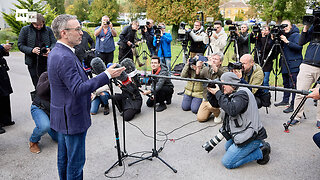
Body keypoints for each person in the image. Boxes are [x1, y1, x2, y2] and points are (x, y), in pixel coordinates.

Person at [48, 14, 125, 179]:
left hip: (64, 115)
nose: (81, 33)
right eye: (77, 29)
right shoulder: (63, 56)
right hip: (71, 117)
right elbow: (77, 88)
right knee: (75, 163)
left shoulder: (59, 51)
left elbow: (69, 86)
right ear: (64, 33)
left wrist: (87, 91)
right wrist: (106, 75)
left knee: (65, 158)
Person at [207, 72, 270, 169]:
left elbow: (232, 110)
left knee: (227, 163)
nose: (221, 87)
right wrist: (211, 92)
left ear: (232, 84)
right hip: (243, 130)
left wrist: (218, 93)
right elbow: (216, 104)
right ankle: (260, 144)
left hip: (252, 134)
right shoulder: (231, 92)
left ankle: (261, 152)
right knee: (227, 148)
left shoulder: (242, 94)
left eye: (223, 84)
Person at [289, 23, 320, 127]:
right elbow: (301, 42)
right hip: (307, 64)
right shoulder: (315, 26)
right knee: (300, 92)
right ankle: (296, 116)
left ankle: (319, 119)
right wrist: (306, 27)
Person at [18, 13, 56, 89]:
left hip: (47, 61)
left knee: (51, 84)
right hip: (33, 63)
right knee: (38, 85)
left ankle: (50, 100)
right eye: (36, 25)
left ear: (43, 23)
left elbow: (54, 42)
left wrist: (50, 49)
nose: (39, 27)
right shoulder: (25, 30)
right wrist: (32, 50)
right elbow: (20, 45)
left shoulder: (48, 30)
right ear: (32, 23)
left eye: (41, 25)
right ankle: (39, 100)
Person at [274, 20, 303, 113]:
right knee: (286, 84)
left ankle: (294, 104)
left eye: (286, 26)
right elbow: (277, 50)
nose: (285, 28)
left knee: (293, 85)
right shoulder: (283, 36)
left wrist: (287, 42)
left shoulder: (296, 35)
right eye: (283, 26)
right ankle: (285, 100)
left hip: (294, 64)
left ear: (291, 26)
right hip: (284, 64)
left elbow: (299, 47)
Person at [29, 72, 58, 153]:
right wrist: (52, 78)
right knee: (44, 126)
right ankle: (33, 141)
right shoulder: (45, 75)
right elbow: (40, 91)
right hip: (40, 108)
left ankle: (49, 125)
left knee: (60, 139)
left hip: (54, 113)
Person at [196, 53, 228, 123]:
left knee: (210, 106)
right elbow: (198, 78)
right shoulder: (206, 69)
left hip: (218, 98)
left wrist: (214, 67)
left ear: (221, 62)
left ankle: (217, 113)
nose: (213, 61)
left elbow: (225, 77)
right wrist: (198, 68)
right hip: (206, 98)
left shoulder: (225, 69)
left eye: (216, 59)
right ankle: (212, 110)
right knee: (201, 118)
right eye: (212, 58)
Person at [252, 25, 274, 93]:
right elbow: (252, 41)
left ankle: (266, 95)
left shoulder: (271, 38)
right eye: (263, 29)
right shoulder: (259, 37)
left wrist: (264, 37)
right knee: (257, 80)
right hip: (258, 60)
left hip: (267, 62)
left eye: (266, 30)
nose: (264, 31)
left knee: (265, 81)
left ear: (269, 31)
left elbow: (266, 48)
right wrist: (253, 33)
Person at [0, 43, 14, 134]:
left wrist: (5, 49)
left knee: (5, 94)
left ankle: (6, 120)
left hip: (1, 69)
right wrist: (2, 47)